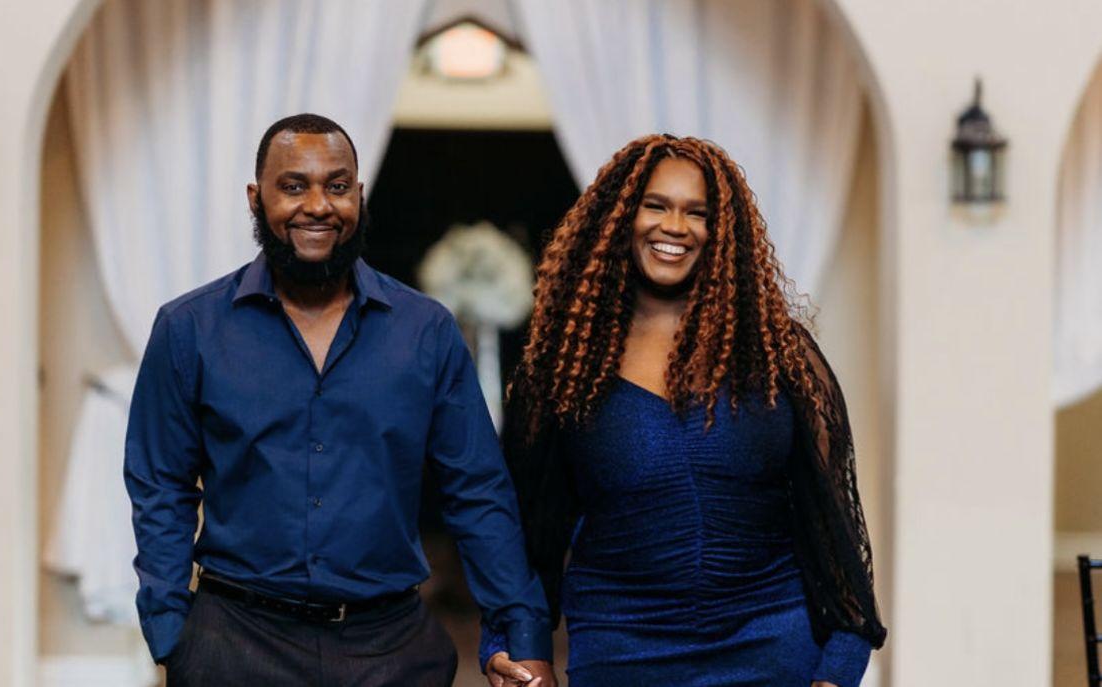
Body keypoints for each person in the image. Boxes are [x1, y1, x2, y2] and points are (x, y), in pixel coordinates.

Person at [124, 113, 555, 686]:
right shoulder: (189, 328)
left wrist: (520, 633)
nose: (318, 206)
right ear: (256, 199)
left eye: (337, 185)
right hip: (235, 646)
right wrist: (172, 631)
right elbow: (160, 485)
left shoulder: (425, 331)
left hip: (391, 651)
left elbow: (477, 490)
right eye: (293, 186)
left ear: (359, 195)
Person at [483, 134, 887, 687]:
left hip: (771, 646)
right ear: (619, 218)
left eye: (698, 213)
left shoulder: (780, 356)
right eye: (655, 205)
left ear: (722, 232)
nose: (675, 226)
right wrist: (516, 646)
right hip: (622, 651)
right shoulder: (565, 363)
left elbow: (832, 523)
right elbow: (530, 530)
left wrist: (839, 663)